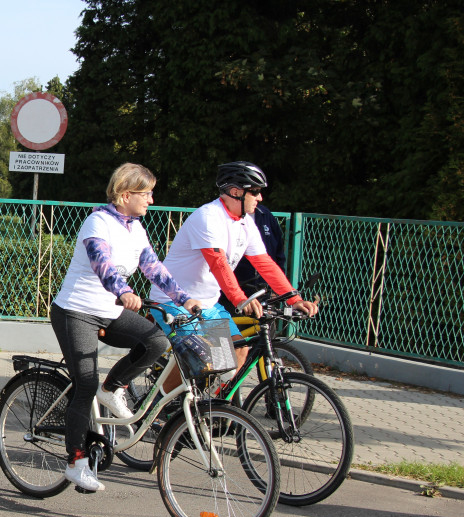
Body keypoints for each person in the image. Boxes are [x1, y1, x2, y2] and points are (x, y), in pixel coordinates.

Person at [51, 163, 200, 492]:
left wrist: (185, 299)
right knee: (84, 383)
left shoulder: (136, 230)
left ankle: (113, 387)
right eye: (146, 193)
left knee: (156, 341)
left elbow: (154, 269)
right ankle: (76, 461)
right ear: (125, 194)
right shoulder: (98, 222)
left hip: (109, 311)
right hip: (76, 311)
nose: (151, 199)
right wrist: (124, 291)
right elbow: (101, 263)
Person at [148, 161, 318, 389]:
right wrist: (239, 298)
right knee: (200, 356)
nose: (260, 199)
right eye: (255, 192)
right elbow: (217, 262)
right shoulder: (208, 216)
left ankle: (215, 409)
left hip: (206, 303)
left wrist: (293, 299)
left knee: (238, 352)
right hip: (173, 300)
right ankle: (160, 410)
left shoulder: (246, 222)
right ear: (236, 192)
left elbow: (264, 263)